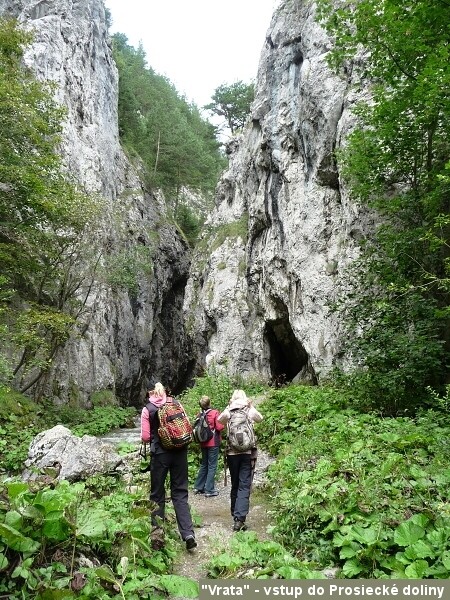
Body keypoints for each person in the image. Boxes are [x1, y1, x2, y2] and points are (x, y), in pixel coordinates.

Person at [140, 382, 197, 551]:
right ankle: (188, 534)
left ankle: (157, 536)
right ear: (165, 391)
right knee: (180, 492)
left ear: (150, 393)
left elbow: (144, 437)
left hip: (160, 455)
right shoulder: (176, 404)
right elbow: (186, 425)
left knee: (157, 494)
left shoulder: (148, 409)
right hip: (180, 453)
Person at [218, 389, 263, 532]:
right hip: (246, 453)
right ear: (245, 398)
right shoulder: (248, 410)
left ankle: (234, 514)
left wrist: (228, 406)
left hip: (232, 453)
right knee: (244, 485)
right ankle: (240, 518)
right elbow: (260, 418)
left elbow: (220, 420)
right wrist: (251, 406)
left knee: (235, 484)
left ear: (232, 398)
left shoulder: (229, 411)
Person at [193, 395, 225, 497]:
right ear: (209, 403)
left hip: (203, 442)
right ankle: (209, 490)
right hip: (213, 443)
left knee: (204, 464)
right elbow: (219, 427)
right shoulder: (214, 413)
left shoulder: (199, 414)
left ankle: (198, 487)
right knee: (212, 466)